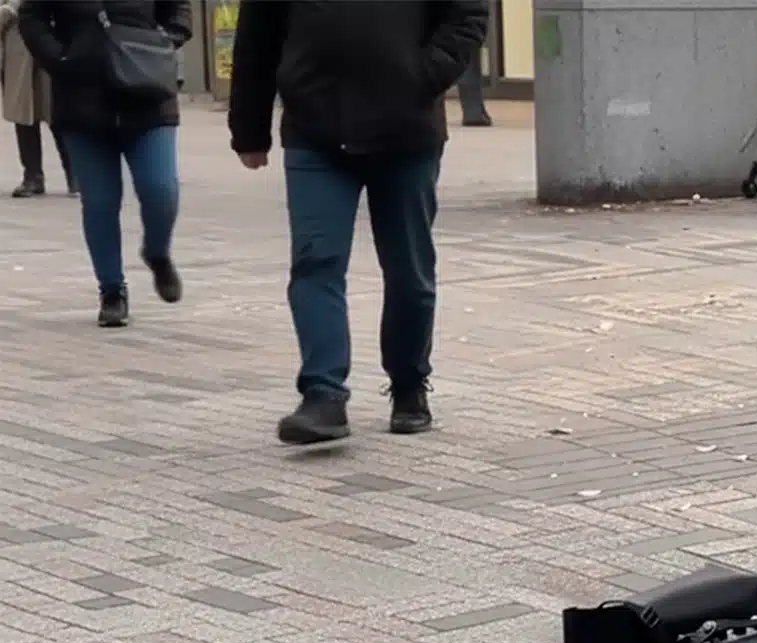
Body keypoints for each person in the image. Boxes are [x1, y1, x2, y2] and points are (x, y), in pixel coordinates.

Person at [226, 0, 489, 445]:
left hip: (406, 133)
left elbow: (467, 16)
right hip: (315, 132)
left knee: (409, 271)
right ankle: (323, 394)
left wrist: (418, 75)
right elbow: (257, 36)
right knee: (315, 262)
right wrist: (249, 127)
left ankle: (409, 384)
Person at [16, 0, 188, 329]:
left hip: (147, 92)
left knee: (161, 189)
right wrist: (59, 57)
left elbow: (179, 6)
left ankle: (157, 252)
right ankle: (112, 291)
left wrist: (166, 38)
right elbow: (32, 15)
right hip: (82, 101)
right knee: (99, 202)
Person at [1, 0, 69, 198]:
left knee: (56, 111)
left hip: (48, 35)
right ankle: (32, 176)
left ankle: (75, 175)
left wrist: (9, 9)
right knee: (23, 112)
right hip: (16, 44)